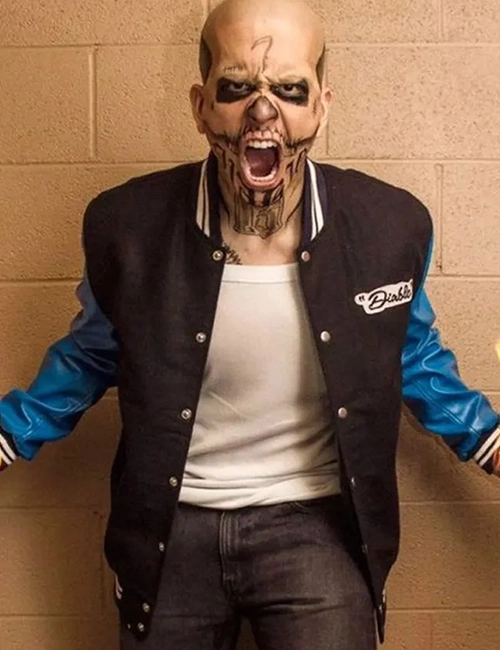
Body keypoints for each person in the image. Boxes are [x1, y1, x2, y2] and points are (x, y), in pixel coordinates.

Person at [0, 0, 499, 648]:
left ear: (321, 106)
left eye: (290, 90)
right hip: (170, 528)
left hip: (317, 528)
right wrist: (9, 434)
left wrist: (489, 441)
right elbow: (92, 355)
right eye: (236, 88)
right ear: (200, 105)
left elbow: (410, 356)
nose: (263, 112)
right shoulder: (128, 228)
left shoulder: (387, 227)